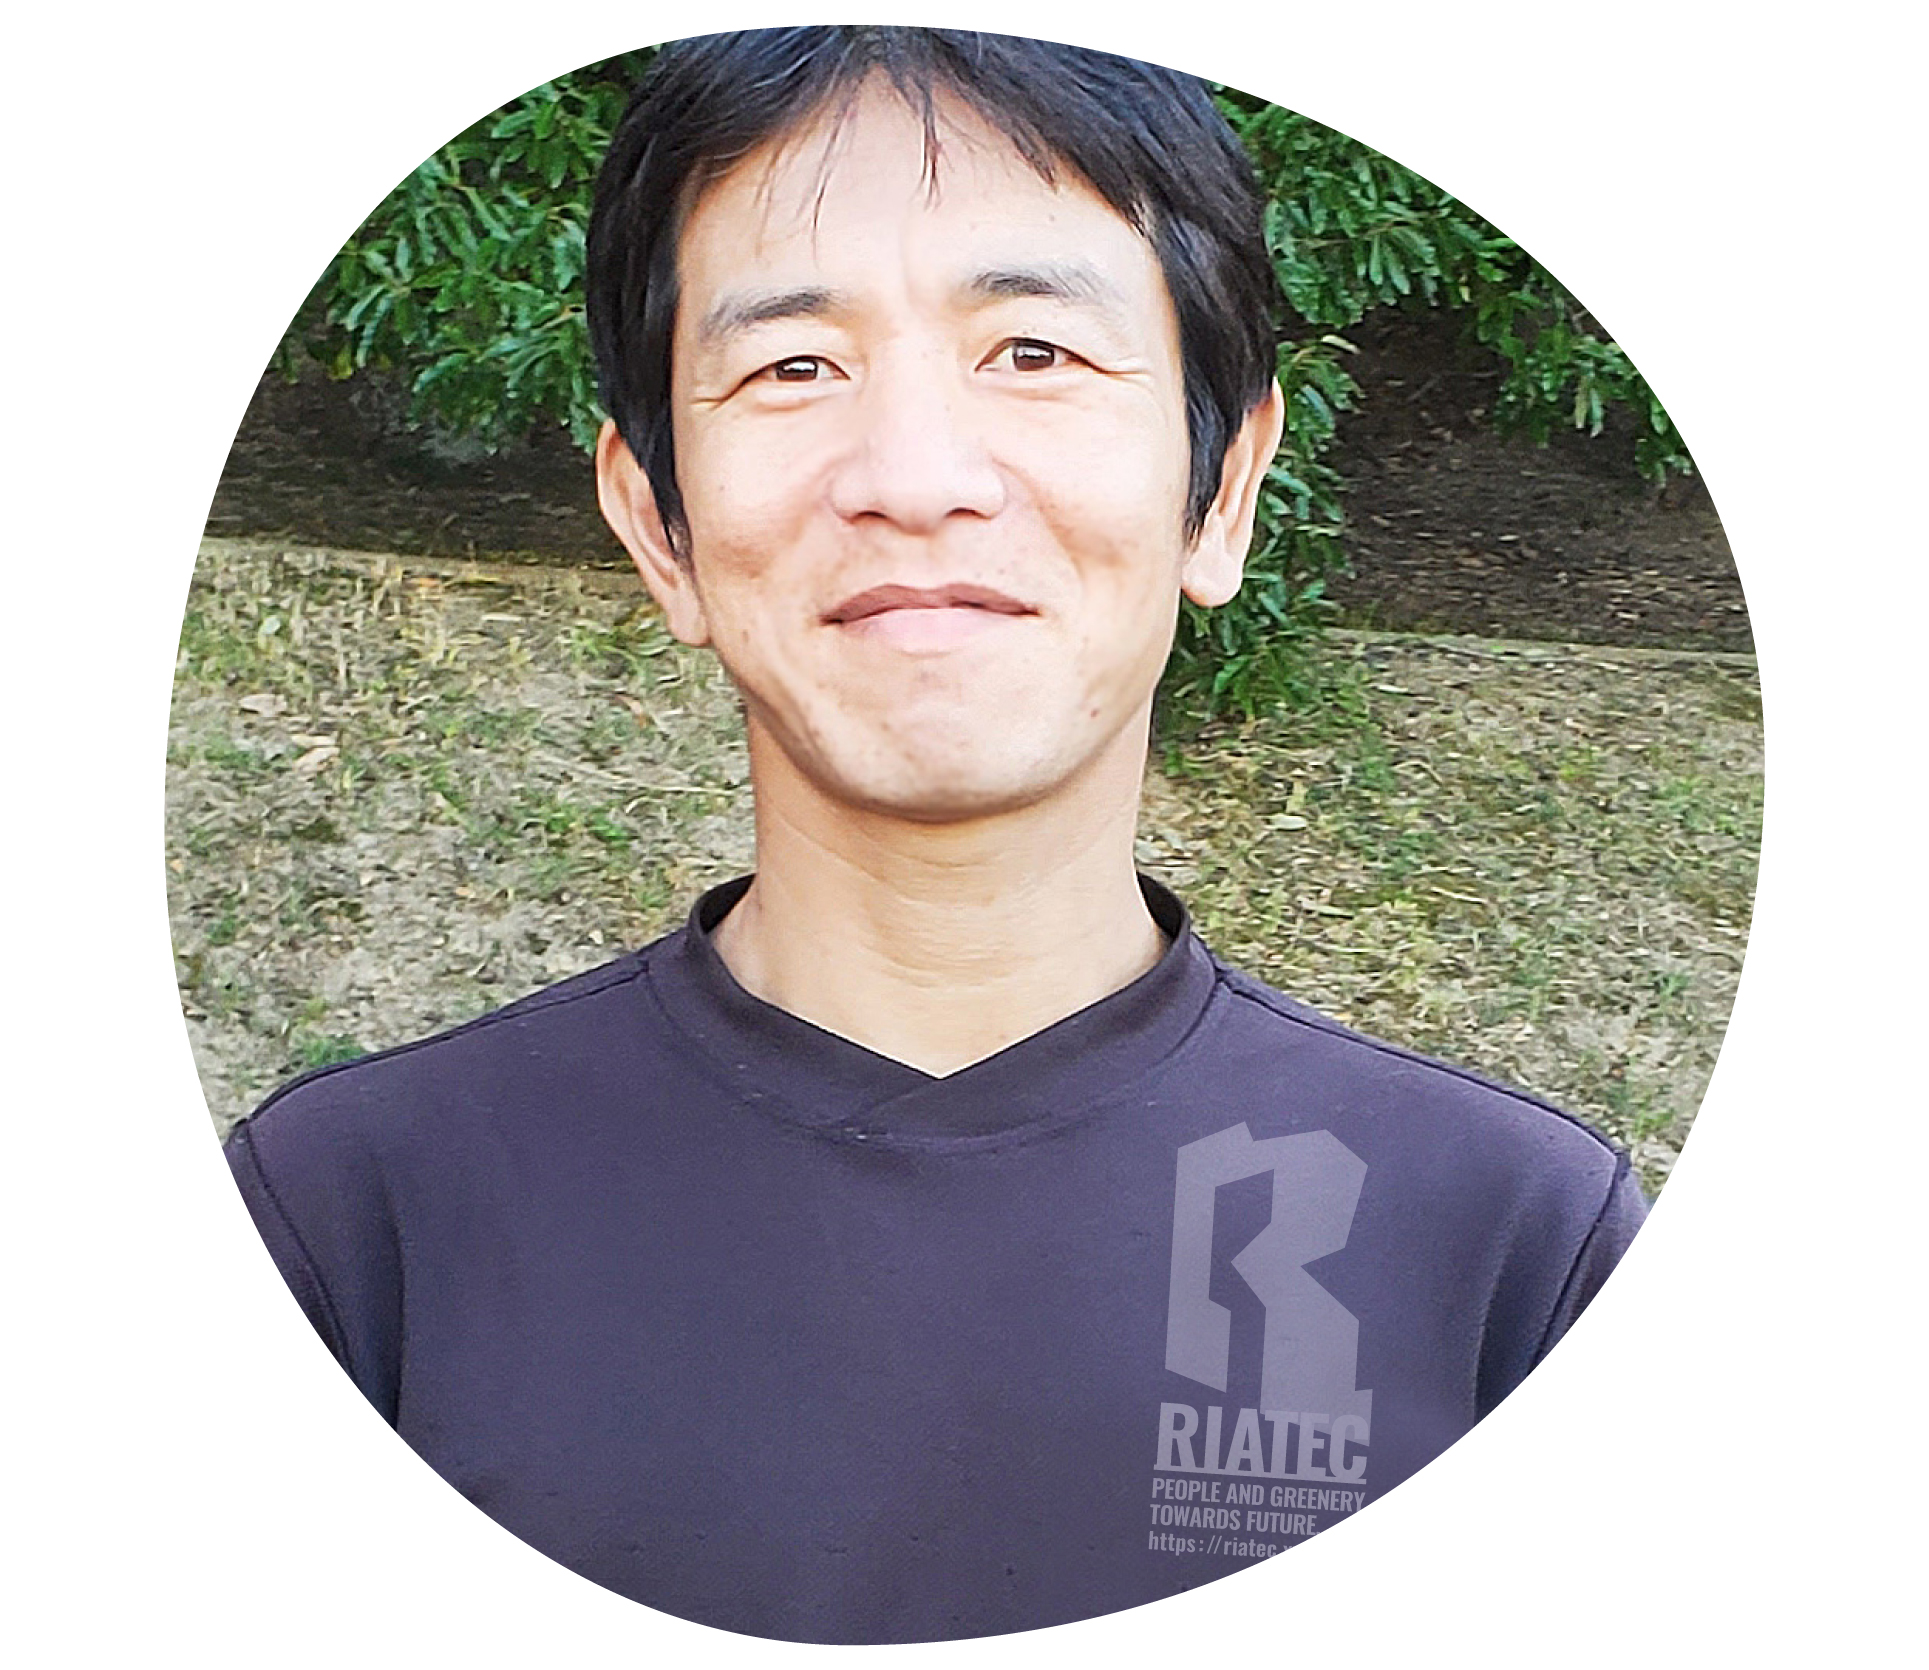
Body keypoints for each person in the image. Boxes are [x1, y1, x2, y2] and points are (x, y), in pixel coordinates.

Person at [222, 26, 1648, 1645]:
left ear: (1223, 487)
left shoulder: (1508, 1248)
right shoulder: (353, 1226)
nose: (914, 478)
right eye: (792, 366)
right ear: (658, 525)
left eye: (1032, 350)